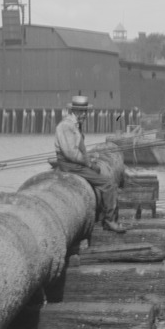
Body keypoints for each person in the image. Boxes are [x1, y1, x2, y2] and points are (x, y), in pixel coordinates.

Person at [55, 95, 125, 233]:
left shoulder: (74, 125)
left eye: (85, 112)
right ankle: (110, 221)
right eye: (82, 112)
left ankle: (102, 213)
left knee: (100, 175)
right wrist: (89, 163)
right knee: (108, 184)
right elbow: (71, 153)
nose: (85, 115)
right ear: (76, 112)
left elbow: (77, 150)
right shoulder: (66, 126)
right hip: (71, 166)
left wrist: (90, 157)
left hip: (73, 164)